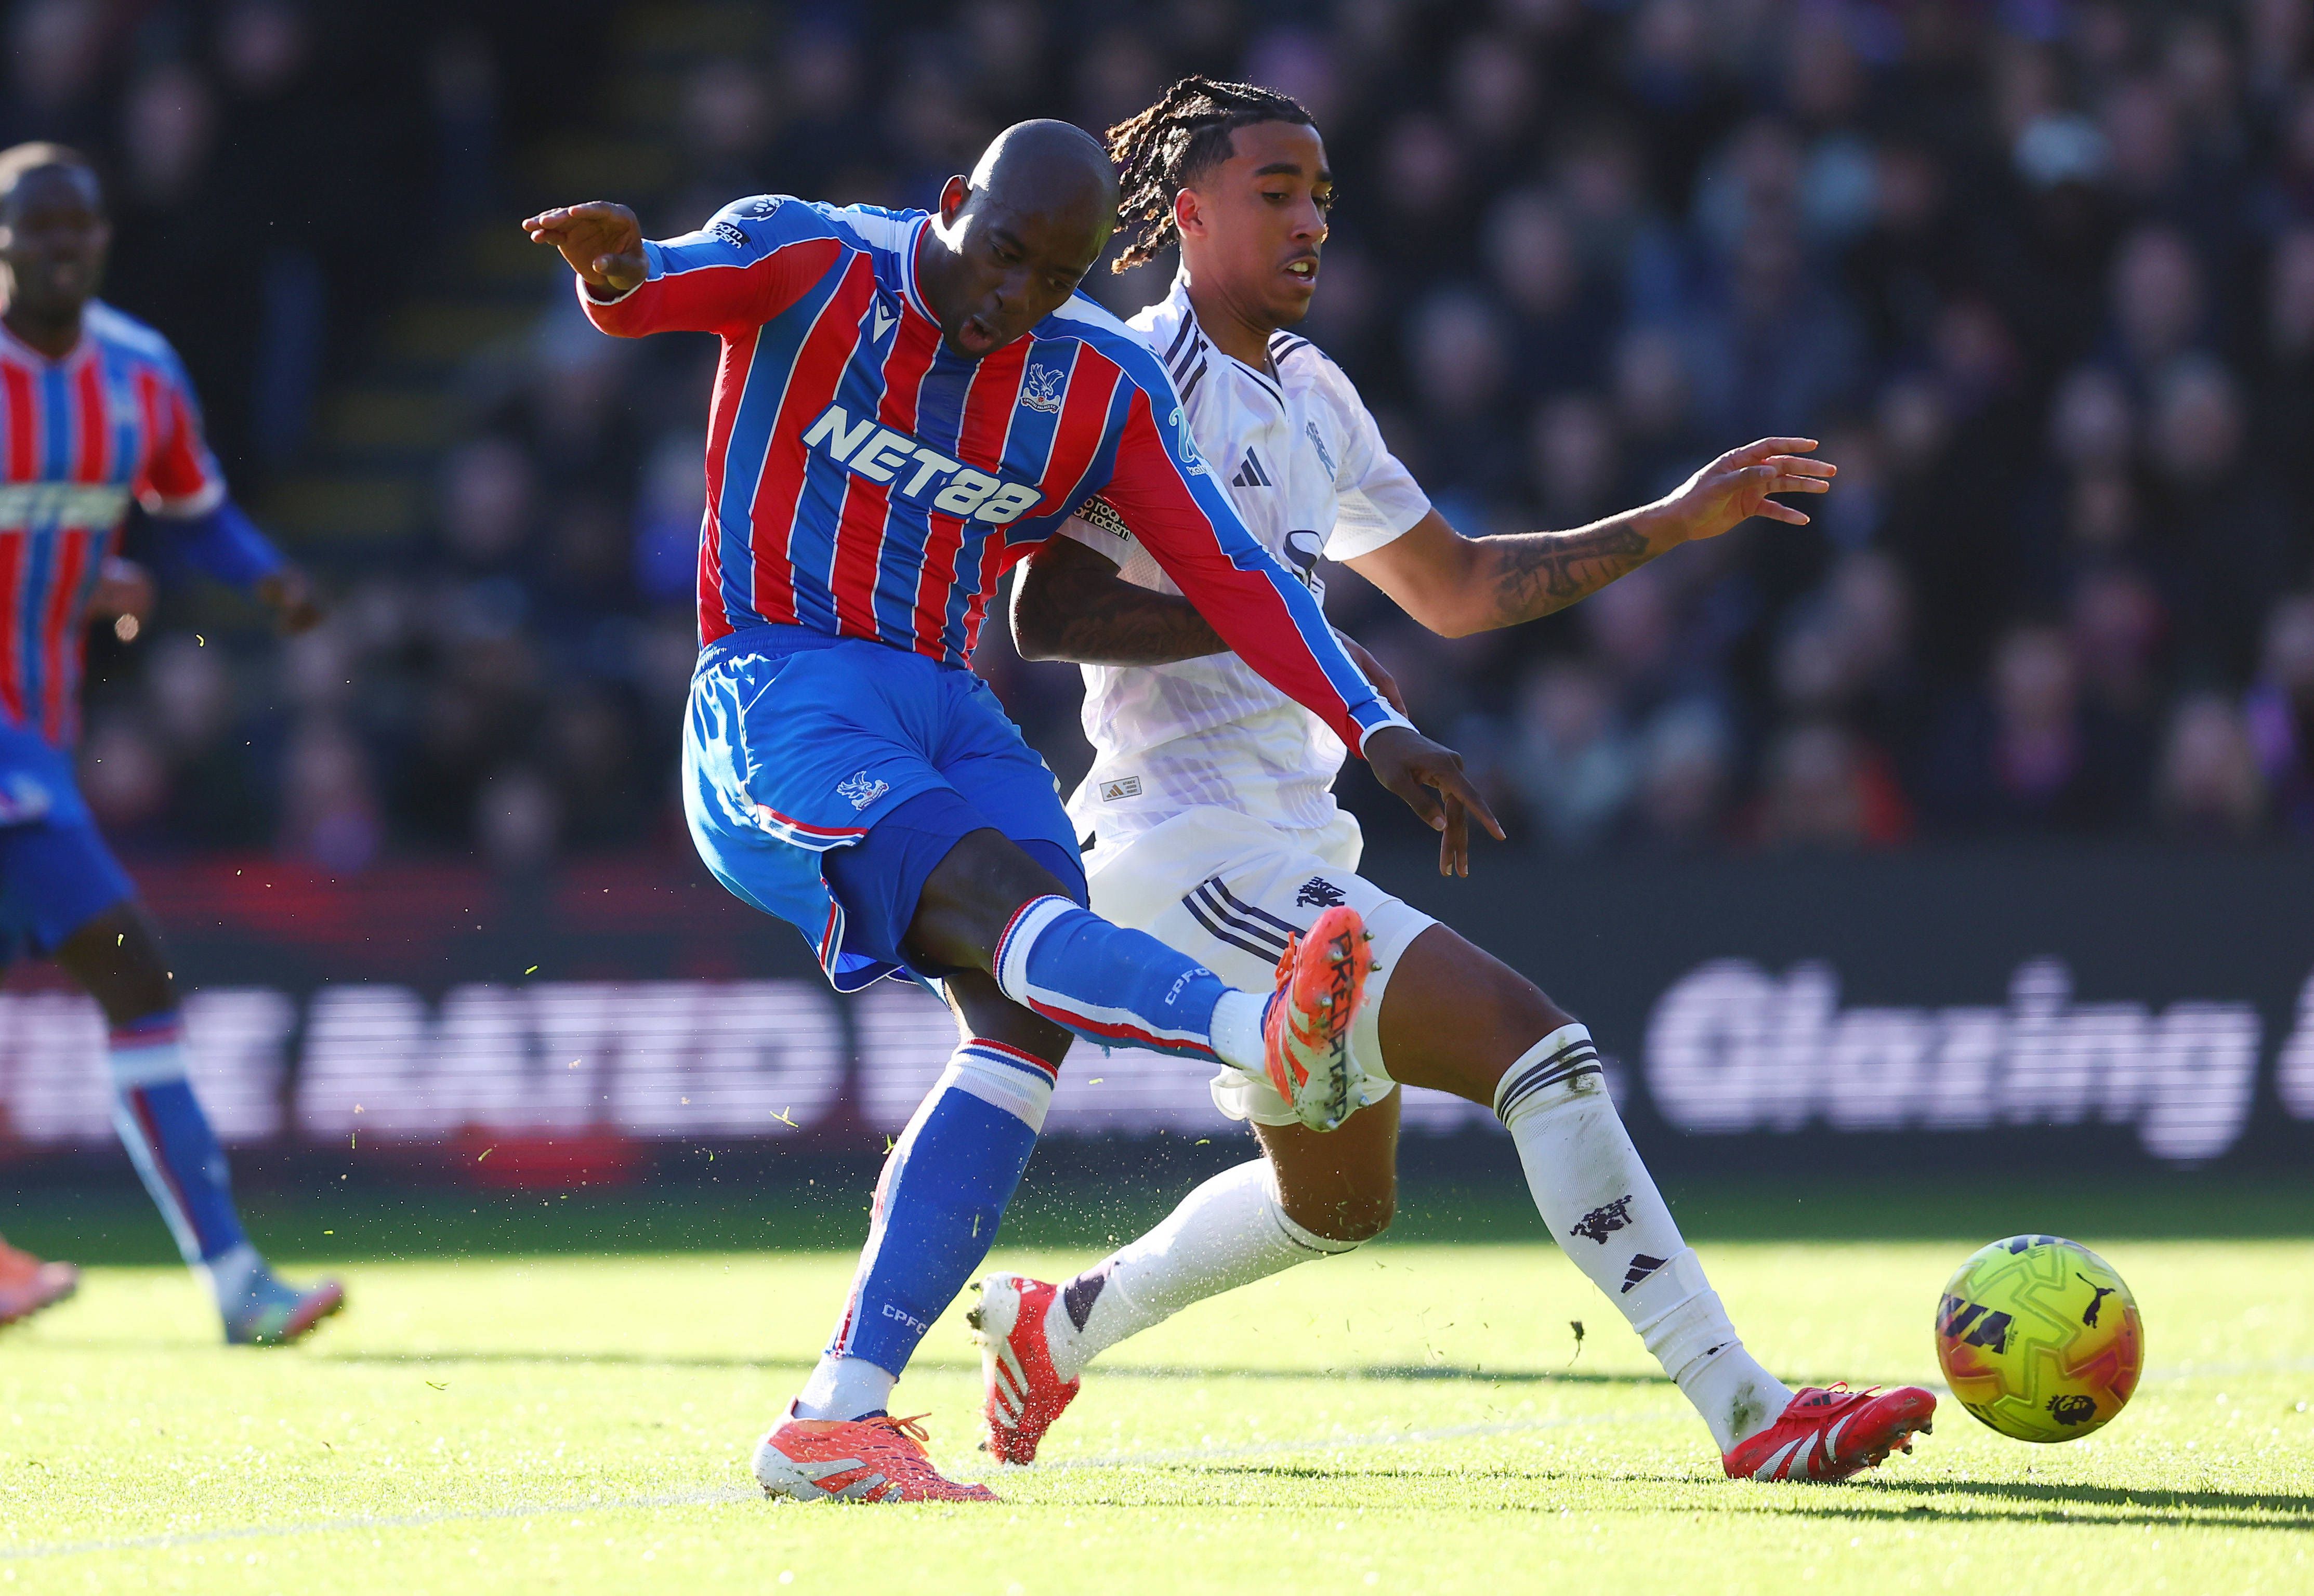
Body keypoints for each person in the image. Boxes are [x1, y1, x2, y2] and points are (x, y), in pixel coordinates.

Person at [972, 80, 1935, 1484]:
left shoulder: (1309, 392)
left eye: (1321, 195)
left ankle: (1059, 1327)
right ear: (1185, 212)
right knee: (1540, 1052)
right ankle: (1747, 1408)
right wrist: (1268, 615)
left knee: (1337, 1206)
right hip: (1183, 849)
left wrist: (1668, 524)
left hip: (1287, 837)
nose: (1310, 221)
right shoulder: (1140, 378)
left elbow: (1458, 587)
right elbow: (1039, 616)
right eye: (1275, 192)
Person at [525, 117, 1499, 1503]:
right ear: (948, 206)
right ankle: (1260, 1033)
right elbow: (657, 287)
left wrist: (1376, 723)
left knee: (1021, 1017)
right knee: (1006, 907)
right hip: (783, 683)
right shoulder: (813, 258)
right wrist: (616, 272)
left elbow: (1233, 576)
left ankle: (837, 1417)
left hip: (948, 707)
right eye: (998, 256)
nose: (1008, 302)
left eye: (1049, 278)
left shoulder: (1091, 377)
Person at [0, 143, 342, 1344]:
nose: (61, 250)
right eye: (37, 230)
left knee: (128, 981)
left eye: (80, 230)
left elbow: (197, 513)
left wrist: (271, 582)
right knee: (133, 968)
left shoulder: (138, 373)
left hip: (35, 731)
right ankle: (237, 1281)